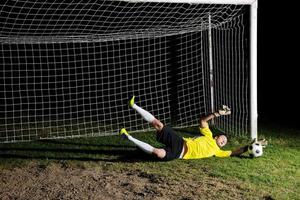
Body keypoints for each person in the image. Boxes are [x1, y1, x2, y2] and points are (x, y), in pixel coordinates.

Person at [119, 96, 259, 161]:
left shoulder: (218, 151)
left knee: (157, 153)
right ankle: (134, 105)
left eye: (224, 142)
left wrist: (249, 147)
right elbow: (203, 120)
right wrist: (217, 113)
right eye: (223, 138)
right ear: (216, 137)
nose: (223, 141)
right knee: (159, 125)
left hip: (180, 155)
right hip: (180, 142)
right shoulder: (208, 135)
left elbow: (234, 152)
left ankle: (129, 137)